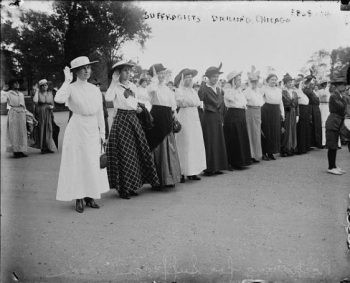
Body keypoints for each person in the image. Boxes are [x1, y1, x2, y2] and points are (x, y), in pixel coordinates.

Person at [54, 56, 109, 213]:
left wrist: (103, 133)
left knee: (91, 162)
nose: (87, 71)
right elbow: (59, 98)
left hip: (92, 128)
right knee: (78, 162)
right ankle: (78, 197)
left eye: (89, 68)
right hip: (77, 128)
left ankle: (90, 196)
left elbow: (99, 113)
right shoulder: (71, 88)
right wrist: (66, 81)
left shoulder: (95, 89)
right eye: (83, 68)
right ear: (76, 72)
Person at [105, 60, 159, 198]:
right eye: (125, 71)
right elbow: (108, 98)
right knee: (124, 154)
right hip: (121, 120)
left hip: (133, 119)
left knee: (135, 152)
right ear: (118, 73)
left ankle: (133, 185)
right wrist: (113, 82)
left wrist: (139, 108)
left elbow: (138, 100)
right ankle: (123, 188)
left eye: (129, 71)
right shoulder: (115, 87)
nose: (128, 73)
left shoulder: (133, 86)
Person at [146, 63, 181, 188]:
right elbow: (151, 91)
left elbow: (173, 106)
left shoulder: (168, 89)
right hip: (156, 117)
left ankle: (170, 178)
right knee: (158, 146)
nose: (161, 76)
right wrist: (154, 79)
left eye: (163, 73)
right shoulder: (152, 86)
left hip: (167, 118)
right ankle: (158, 180)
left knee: (169, 147)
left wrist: (175, 116)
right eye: (159, 73)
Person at [174, 68, 206, 183]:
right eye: (187, 77)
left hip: (194, 117)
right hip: (185, 116)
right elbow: (181, 102)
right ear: (182, 79)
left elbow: (197, 102)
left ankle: (193, 171)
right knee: (184, 143)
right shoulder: (179, 91)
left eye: (190, 78)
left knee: (194, 143)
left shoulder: (193, 91)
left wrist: (191, 102)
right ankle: (182, 172)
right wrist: (189, 102)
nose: (189, 80)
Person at [198, 63, 228, 175]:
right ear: (208, 77)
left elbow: (221, 103)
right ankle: (209, 168)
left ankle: (218, 166)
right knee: (210, 141)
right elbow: (200, 99)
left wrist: (222, 118)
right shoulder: (204, 88)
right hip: (209, 117)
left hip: (217, 117)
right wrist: (202, 83)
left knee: (218, 141)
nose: (215, 79)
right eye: (213, 77)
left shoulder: (219, 90)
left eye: (217, 77)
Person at [223, 70, 252, 169]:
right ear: (233, 81)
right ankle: (233, 162)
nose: (240, 81)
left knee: (241, 137)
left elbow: (243, 103)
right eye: (238, 80)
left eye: (240, 80)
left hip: (241, 114)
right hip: (233, 115)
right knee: (234, 138)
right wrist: (234, 88)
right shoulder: (228, 90)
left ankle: (242, 161)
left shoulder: (240, 91)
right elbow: (230, 99)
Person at [325, 73, 347, 175]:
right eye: (342, 85)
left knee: (334, 146)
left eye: (344, 84)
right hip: (333, 122)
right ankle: (330, 167)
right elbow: (342, 107)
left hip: (337, 122)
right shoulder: (334, 96)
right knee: (332, 146)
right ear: (337, 86)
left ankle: (334, 166)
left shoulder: (340, 95)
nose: (344, 86)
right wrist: (345, 100)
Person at [1, 79, 29, 158]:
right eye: (15, 83)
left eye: (17, 83)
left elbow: (23, 105)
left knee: (21, 132)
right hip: (13, 113)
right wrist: (3, 90)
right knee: (14, 132)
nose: (17, 84)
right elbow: (2, 100)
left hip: (21, 114)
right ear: (11, 85)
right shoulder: (8, 93)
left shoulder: (21, 94)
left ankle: (21, 150)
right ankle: (15, 151)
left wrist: (27, 113)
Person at [261, 74, 285, 160]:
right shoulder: (264, 89)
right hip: (267, 111)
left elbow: (281, 102)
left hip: (276, 111)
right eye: (272, 79)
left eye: (275, 79)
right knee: (267, 131)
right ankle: (264, 153)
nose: (274, 81)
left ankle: (271, 152)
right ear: (267, 80)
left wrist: (282, 113)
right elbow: (260, 100)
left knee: (274, 132)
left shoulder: (279, 90)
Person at [244, 66, 265, 163]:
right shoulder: (247, 91)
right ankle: (251, 155)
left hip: (257, 111)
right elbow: (245, 102)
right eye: (252, 81)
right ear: (249, 81)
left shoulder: (258, 91)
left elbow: (261, 101)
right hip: (250, 111)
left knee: (257, 133)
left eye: (256, 81)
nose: (254, 83)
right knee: (250, 132)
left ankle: (257, 154)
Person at [32, 79, 58, 153]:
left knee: (49, 129)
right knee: (42, 129)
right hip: (40, 113)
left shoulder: (50, 93)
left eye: (45, 85)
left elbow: (53, 104)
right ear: (40, 87)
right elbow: (35, 101)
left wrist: (52, 107)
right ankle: (43, 148)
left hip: (49, 113)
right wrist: (36, 91)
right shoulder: (38, 93)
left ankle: (49, 147)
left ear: (47, 86)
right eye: (42, 85)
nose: (44, 86)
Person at [281, 74, 299, 156]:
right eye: (289, 82)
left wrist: (298, 115)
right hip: (287, 113)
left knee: (293, 130)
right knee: (287, 130)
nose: (291, 83)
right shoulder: (283, 92)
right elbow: (281, 104)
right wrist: (283, 114)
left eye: (291, 82)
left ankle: (292, 148)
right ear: (285, 83)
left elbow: (297, 104)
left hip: (294, 112)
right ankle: (285, 149)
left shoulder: (295, 92)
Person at [303, 75, 322, 149]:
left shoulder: (313, 90)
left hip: (315, 108)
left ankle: (316, 143)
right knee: (312, 126)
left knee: (316, 125)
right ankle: (312, 143)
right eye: (312, 82)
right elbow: (314, 100)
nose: (313, 84)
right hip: (311, 108)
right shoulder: (307, 90)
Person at [294, 77, 311, 154]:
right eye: (302, 84)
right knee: (301, 129)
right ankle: (301, 148)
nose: (304, 85)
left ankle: (305, 147)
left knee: (305, 128)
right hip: (301, 110)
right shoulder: (296, 91)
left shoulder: (302, 92)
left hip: (306, 110)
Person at [316, 79, 331, 147]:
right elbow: (318, 99)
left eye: (325, 83)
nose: (324, 85)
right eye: (323, 84)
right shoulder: (319, 91)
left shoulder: (329, 91)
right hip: (322, 107)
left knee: (329, 124)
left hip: (328, 107)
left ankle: (329, 142)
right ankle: (323, 142)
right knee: (323, 125)